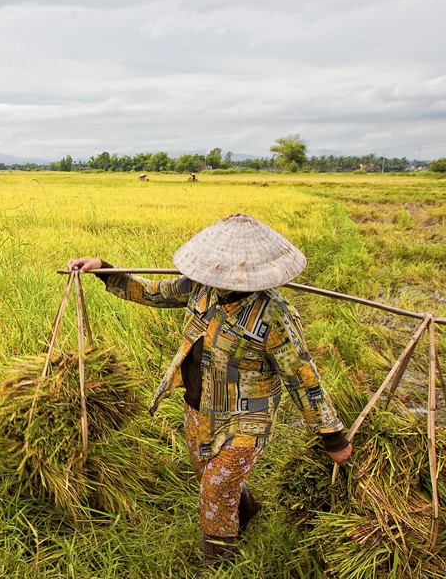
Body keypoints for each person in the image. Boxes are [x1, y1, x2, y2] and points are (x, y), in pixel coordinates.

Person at [68, 213, 352, 565]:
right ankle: (247, 512)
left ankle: (216, 562)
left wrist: (333, 437)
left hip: (247, 417)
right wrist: (103, 269)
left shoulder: (274, 315)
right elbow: (154, 292)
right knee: (210, 477)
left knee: (215, 489)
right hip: (198, 407)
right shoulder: (199, 287)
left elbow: (303, 377)